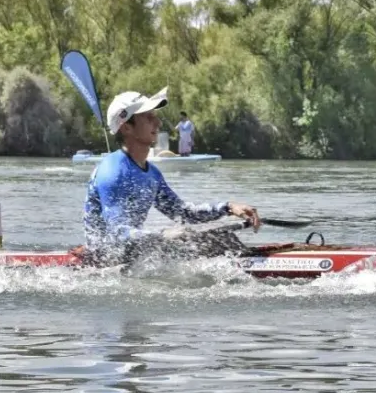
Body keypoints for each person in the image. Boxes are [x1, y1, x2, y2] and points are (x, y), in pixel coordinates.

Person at [81, 87, 260, 266]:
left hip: (133, 251)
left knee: (220, 237)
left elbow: (183, 213)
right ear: (127, 127)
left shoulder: (152, 174)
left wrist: (228, 208)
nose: (158, 123)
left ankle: (249, 265)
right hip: (105, 260)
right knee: (206, 241)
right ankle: (250, 267)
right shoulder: (113, 172)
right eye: (149, 118)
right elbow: (117, 233)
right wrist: (164, 235)